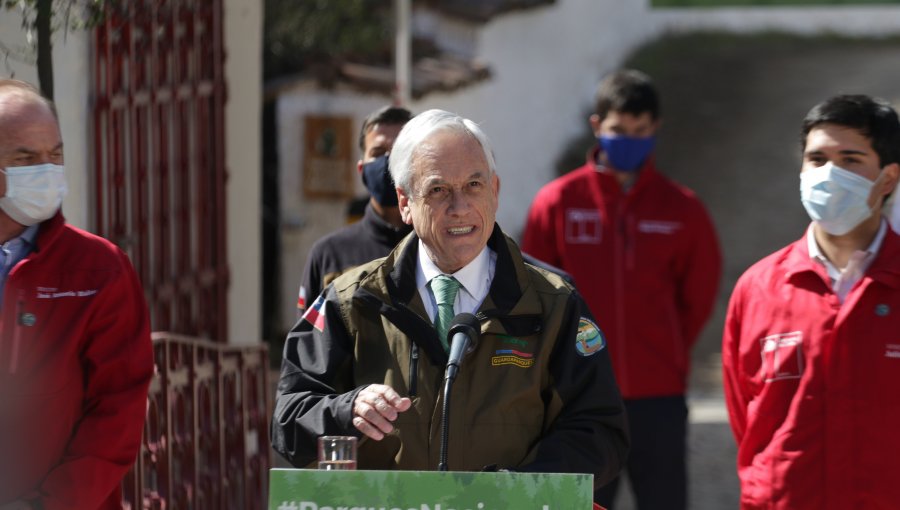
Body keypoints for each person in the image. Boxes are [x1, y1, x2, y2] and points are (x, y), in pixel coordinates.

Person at [272, 109, 629, 486]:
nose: (460, 207)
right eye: (438, 190)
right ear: (405, 202)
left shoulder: (554, 304)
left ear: (495, 190)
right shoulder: (351, 301)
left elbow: (600, 432)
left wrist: (514, 491)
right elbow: (288, 420)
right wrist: (347, 410)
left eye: (474, 185)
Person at [521, 69, 721, 509]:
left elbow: (698, 296)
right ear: (597, 126)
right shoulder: (557, 203)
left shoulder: (683, 209)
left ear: (655, 130)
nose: (628, 139)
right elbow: (531, 293)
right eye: (618, 130)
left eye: (639, 131)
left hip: (658, 397)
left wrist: (664, 349)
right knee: (580, 504)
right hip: (577, 397)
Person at [722, 94, 900, 509]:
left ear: (888, 179)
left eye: (851, 160)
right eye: (816, 159)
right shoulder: (758, 288)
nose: (829, 174)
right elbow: (743, 415)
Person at [0, 80, 153, 508]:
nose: (46, 169)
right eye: (26, 158)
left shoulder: (100, 268)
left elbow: (118, 412)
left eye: (56, 155)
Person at [296, 105, 414, 317]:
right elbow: (308, 342)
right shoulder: (328, 255)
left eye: (398, 152)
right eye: (378, 153)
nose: (388, 161)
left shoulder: (438, 246)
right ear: (362, 169)